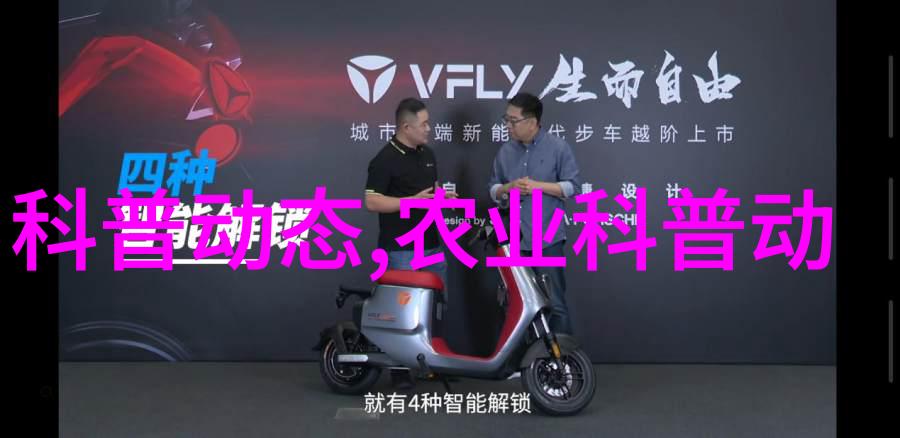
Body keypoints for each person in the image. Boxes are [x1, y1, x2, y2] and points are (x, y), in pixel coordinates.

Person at [364, 97, 452, 389]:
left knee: (436, 305)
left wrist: (441, 197)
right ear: (405, 127)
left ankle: (433, 362)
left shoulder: (428, 154)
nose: (429, 129)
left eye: (428, 123)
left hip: (432, 244)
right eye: (424, 124)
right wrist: (410, 202)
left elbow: (429, 193)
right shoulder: (384, 159)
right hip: (400, 249)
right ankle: (399, 369)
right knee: (400, 311)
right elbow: (372, 201)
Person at [487, 92, 581, 335]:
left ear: (532, 122)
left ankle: (564, 358)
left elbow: (573, 187)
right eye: (506, 120)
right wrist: (508, 188)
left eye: (513, 120)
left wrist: (538, 187)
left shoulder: (558, 148)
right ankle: (525, 357)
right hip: (513, 240)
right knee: (517, 305)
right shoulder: (505, 152)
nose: (508, 126)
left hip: (547, 237)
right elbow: (493, 189)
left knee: (555, 304)